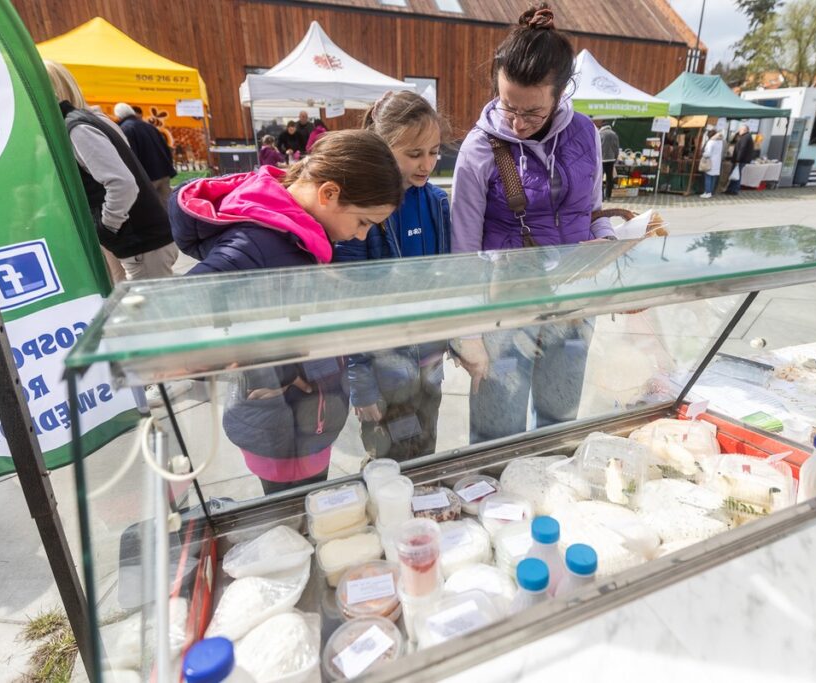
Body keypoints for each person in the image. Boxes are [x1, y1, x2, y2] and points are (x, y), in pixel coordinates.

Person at [169, 130, 403, 494]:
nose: (360, 236)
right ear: (328, 193)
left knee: (314, 500)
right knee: (291, 507)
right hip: (276, 418)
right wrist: (268, 369)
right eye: (363, 223)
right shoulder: (257, 240)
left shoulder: (297, 232)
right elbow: (180, 309)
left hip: (311, 411)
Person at [449, 3, 613, 444]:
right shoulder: (480, 148)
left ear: (560, 93)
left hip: (574, 298)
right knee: (497, 426)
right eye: (508, 107)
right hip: (506, 305)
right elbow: (463, 249)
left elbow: (592, 211)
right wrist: (467, 332)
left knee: (560, 414)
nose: (518, 123)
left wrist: (608, 240)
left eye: (533, 112)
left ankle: (553, 474)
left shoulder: (586, 134)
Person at [334, 91, 452, 462]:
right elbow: (350, 301)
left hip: (429, 360)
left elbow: (446, 278)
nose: (427, 164)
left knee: (425, 450)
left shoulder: (436, 201)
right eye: (414, 154)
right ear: (383, 147)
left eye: (434, 152)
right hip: (382, 370)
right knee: (387, 459)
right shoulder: (361, 208)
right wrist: (360, 382)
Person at [44, 61, 178, 283]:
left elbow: (122, 183)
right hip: (143, 239)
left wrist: (107, 226)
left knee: (154, 304)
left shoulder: (78, 127)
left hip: (141, 241)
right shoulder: (93, 120)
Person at [113, 102, 178, 206]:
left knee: (149, 208)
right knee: (167, 206)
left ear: (118, 116)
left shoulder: (126, 129)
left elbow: (130, 157)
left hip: (147, 177)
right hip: (163, 172)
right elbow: (166, 148)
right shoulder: (149, 126)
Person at [726, 124, 755, 195]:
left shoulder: (745, 137)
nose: (739, 131)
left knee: (736, 174)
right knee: (735, 174)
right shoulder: (747, 136)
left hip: (740, 160)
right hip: (741, 159)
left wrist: (737, 160)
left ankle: (734, 190)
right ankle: (731, 189)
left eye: (740, 130)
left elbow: (742, 149)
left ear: (744, 130)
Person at [598, 121, 619, 200]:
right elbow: (616, 148)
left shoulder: (600, 134)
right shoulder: (614, 134)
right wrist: (615, 157)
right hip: (611, 159)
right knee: (609, 178)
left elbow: (597, 147)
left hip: (601, 159)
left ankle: (601, 197)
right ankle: (608, 196)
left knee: (599, 179)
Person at [700, 130, 724, 199]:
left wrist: (703, 154)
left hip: (710, 162)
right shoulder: (720, 142)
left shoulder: (711, 142)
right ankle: (711, 192)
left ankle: (707, 192)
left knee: (708, 177)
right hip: (717, 162)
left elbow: (708, 153)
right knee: (713, 177)